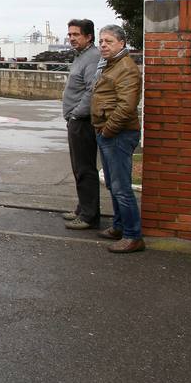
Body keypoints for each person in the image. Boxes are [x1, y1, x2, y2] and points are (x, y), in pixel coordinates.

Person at [91, 24, 144, 254]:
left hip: (118, 134)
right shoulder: (111, 65)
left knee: (121, 187)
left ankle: (133, 235)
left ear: (122, 43)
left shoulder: (126, 69)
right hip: (108, 132)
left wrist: (108, 130)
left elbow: (126, 106)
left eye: (108, 41)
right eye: (101, 41)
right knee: (114, 184)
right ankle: (119, 226)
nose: (103, 45)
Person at [61, 18, 102, 231]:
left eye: (76, 35)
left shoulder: (92, 58)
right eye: (70, 34)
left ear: (89, 36)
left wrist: (76, 115)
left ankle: (89, 216)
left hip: (82, 122)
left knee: (84, 168)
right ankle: (82, 208)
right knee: (79, 167)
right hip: (76, 120)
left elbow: (91, 90)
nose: (71, 38)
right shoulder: (82, 56)